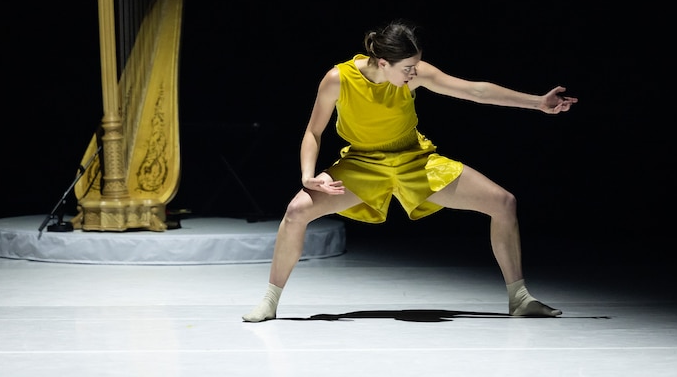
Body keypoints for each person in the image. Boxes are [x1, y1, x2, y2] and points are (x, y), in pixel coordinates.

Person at [242, 19, 577, 322]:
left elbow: (475, 91)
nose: (414, 74)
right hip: (362, 163)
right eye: (408, 68)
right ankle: (270, 302)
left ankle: (519, 298)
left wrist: (537, 102)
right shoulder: (338, 79)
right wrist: (307, 174)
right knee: (296, 211)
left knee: (503, 203)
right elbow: (313, 132)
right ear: (384, 63)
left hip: (413, 160)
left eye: (416, 66)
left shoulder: (414, 76)